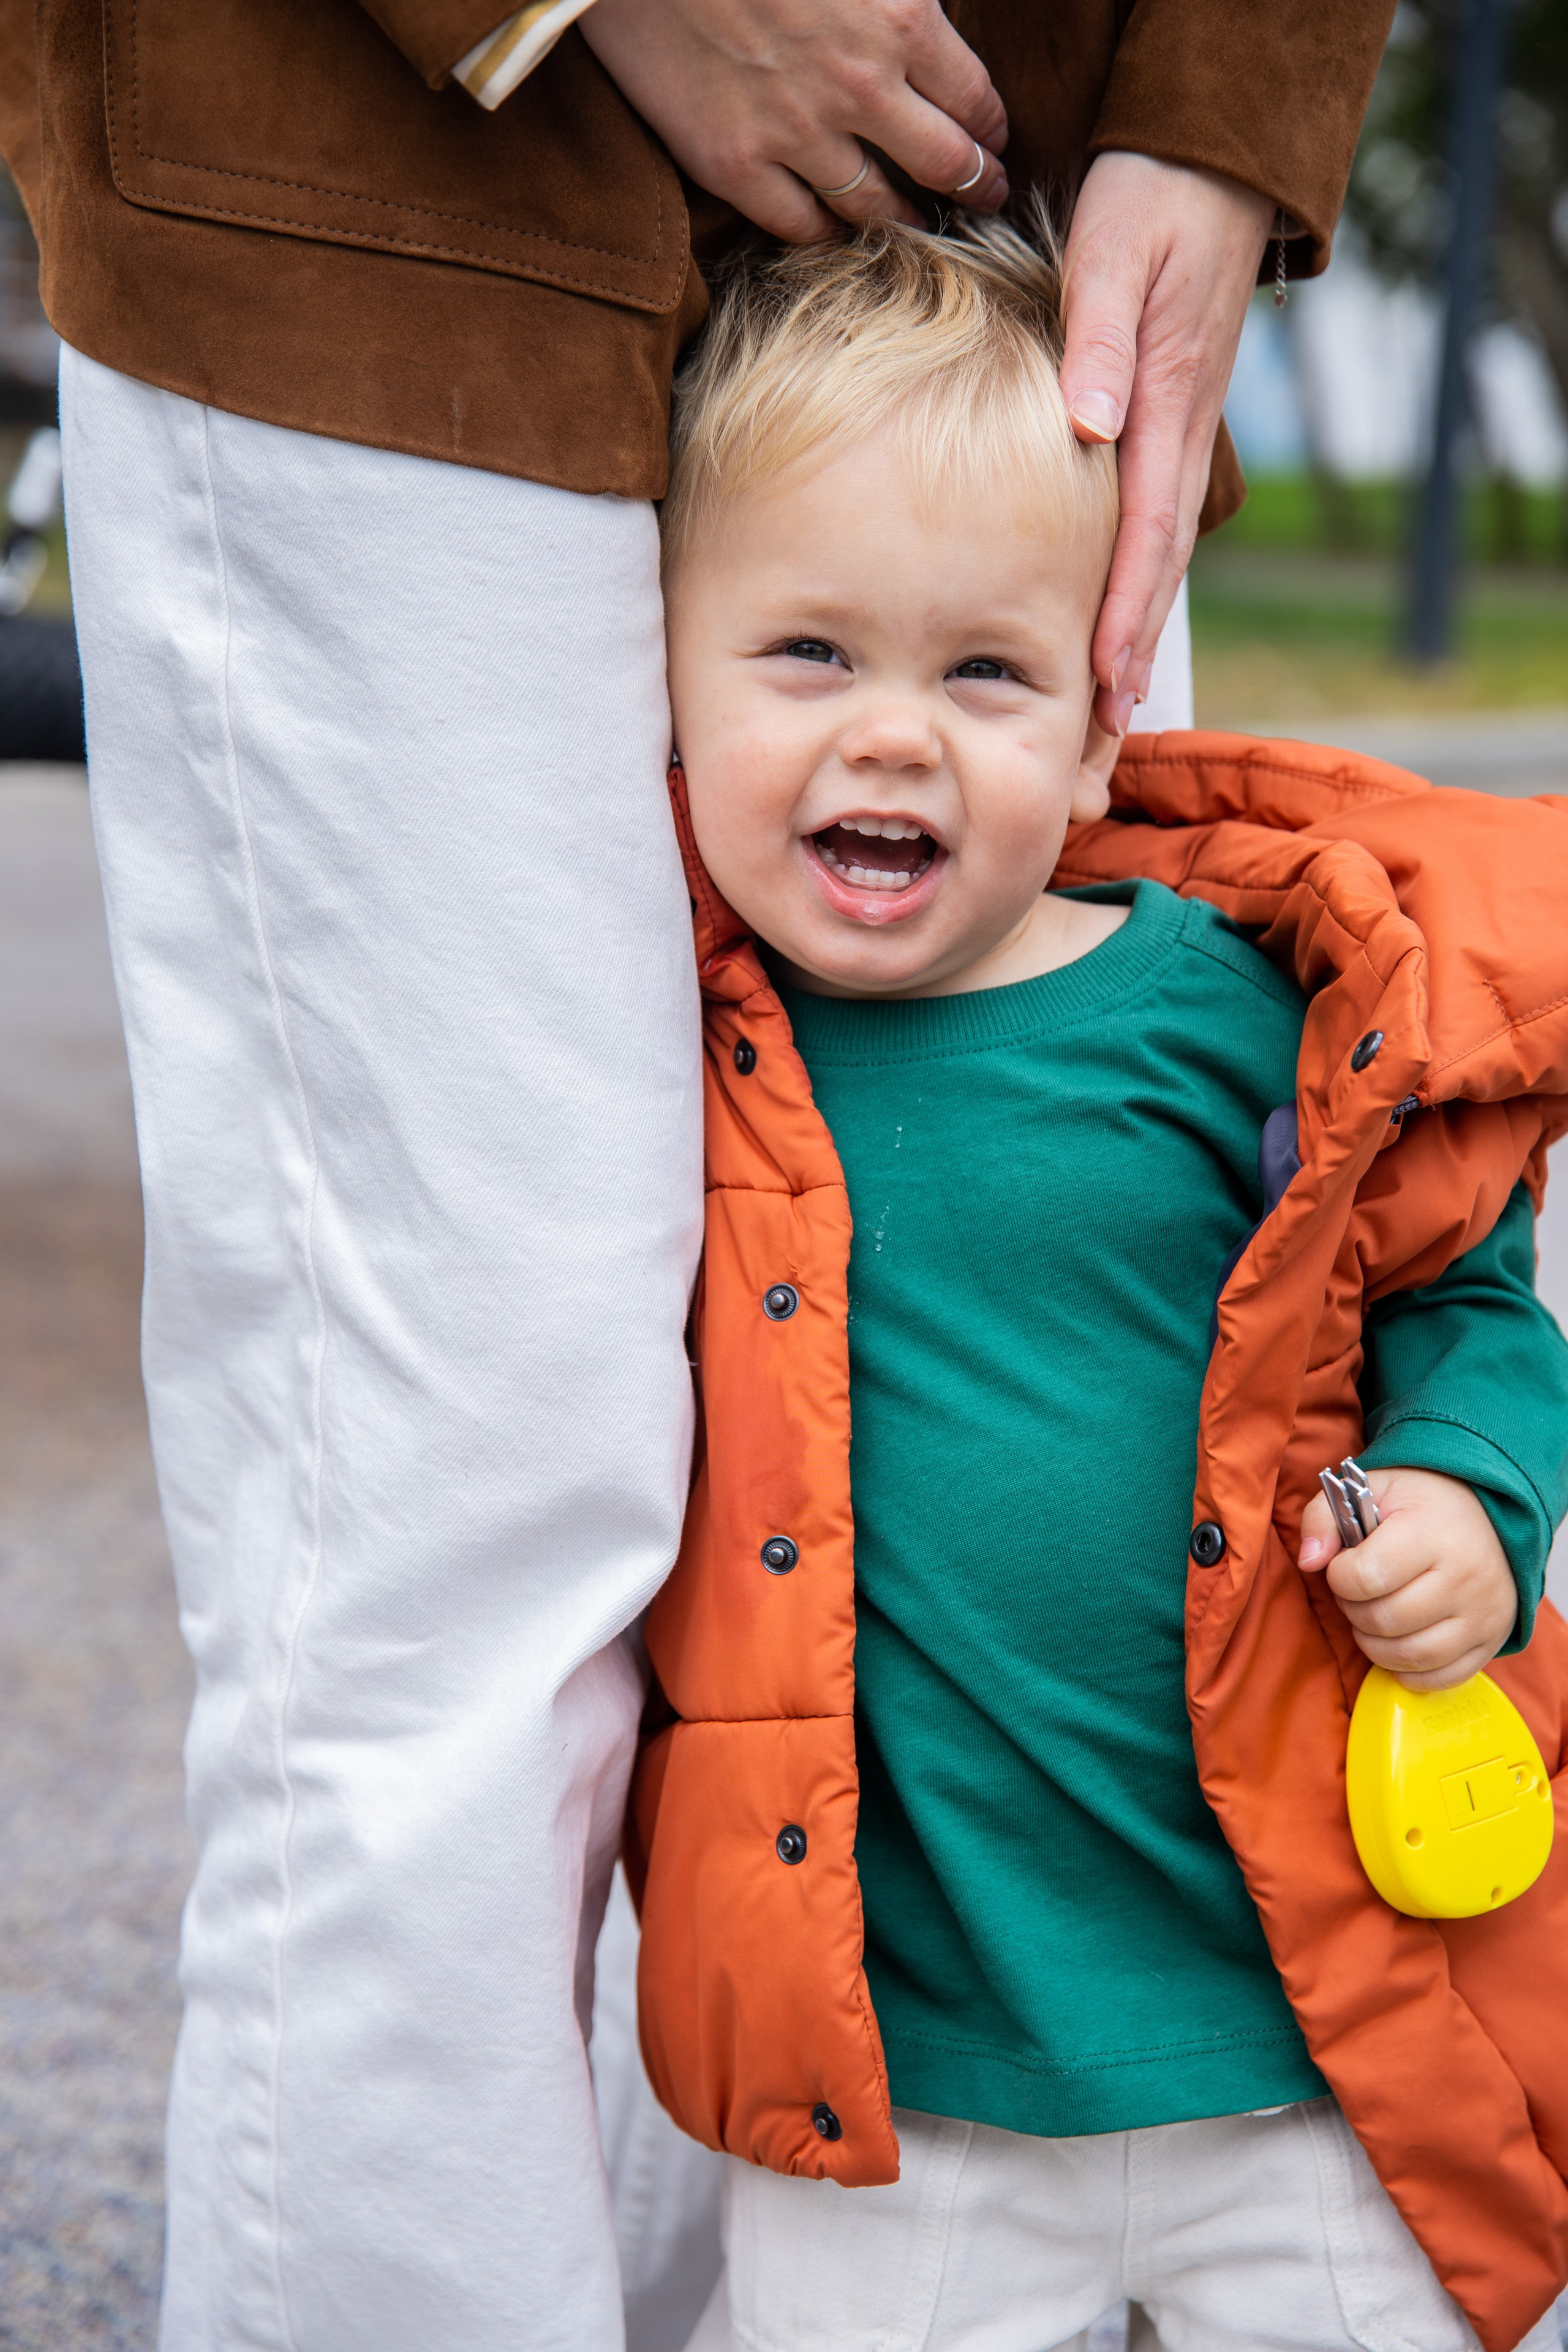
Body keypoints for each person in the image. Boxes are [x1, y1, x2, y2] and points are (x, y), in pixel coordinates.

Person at [0, 4, 1395, 2345]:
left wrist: (1228, 96)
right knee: (454, 1529)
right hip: (368, 197)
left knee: (925, 1440)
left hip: (1002, 204)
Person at [640, 212, 1568, 2352]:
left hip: (1296, 2038)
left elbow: (1464, 1303)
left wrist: (1469, 1500)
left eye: (982, 673)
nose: (893, 737)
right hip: (910, 2087)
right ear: (668, 689)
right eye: (807, 657)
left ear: (1093, 728)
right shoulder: (671, 1041)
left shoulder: (1233, 1015)